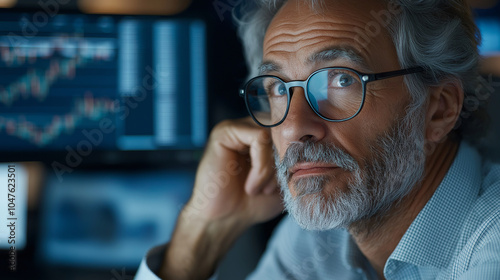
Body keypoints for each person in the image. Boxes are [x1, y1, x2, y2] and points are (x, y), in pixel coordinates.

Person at [135, 0, 500, 279]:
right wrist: (203, 232)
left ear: (439, 108)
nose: (293, 127)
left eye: (341, 80)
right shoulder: (317, 238)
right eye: (279, 88)